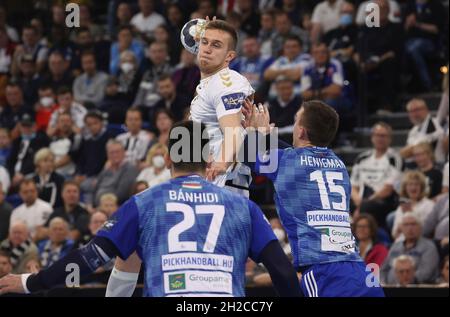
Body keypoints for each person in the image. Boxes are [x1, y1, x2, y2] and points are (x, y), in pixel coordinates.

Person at [0, 121, 301, 298]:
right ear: (209, 159)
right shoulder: (242, 206)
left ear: (168, 158)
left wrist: (31, 282)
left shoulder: (144, 203)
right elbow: (283, 272)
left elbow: (88, 258)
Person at [242, 99, 384, 297]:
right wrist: (267, 136)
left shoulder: (286, 161)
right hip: (360, 270)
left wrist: (253, 131)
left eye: (296, 120)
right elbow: (296, 154)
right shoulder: (339, 163)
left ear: (301, 131)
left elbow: (248, 154)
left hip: (323, 271)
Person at [189, 19, 256, 197]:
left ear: (229, 56)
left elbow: (234, 130)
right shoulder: (209, 84)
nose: (207, 49)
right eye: (205, 42)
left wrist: (222, 163)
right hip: (206, 181)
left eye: (216, 45)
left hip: (222, 183)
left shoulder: (227, 82)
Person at [350, 122, 402, 228]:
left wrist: (363, 205)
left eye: (383, 136)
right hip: (360, 200)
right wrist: (359, 202)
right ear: (372, 137)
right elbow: (353, 186)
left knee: (367, 207)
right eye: (377, 135)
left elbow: (388, 189)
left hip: (382, 201)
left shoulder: (394, 158)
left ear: (390, 139)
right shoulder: (362, 157)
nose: (380, 139)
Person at [381, 213, 439, 284]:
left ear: (420, 227)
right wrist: (383, 283)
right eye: (406, 225)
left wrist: (404, 282)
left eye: (413, 224)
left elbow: (426, 273)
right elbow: (383, 269)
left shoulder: (429, 247)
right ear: (401, 228)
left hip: (415, 289)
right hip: (390, 289)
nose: (410, 228)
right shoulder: (395, 246)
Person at [92, 140, 140, 206]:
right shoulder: (106, 169)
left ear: (124, 153)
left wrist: (103, 202)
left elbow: (121, 194)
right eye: (111, 153)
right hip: (99, 205)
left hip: (115, 206)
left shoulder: (129, 169)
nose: (114, 155)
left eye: (117, 152)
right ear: (107, 155)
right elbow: (95, 188)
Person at [391, 171, 435, 240]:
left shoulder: (429, 205)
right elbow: (395, 234)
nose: (413, 187)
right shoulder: (401, 207)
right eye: (410, 184)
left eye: (416, 184)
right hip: (400, 244)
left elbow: (428, 231)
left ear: (422, 187)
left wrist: (411, 214)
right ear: (405, 188)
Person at [400, 98, 444, 163]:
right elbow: (405, 153)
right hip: (417, 165)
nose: (414, 114)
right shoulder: (413, 130)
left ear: (426, 109)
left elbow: (419, 148)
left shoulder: (433, 124)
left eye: (417, 110)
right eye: (411, 111)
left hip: (436, 164)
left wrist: (409, 150)